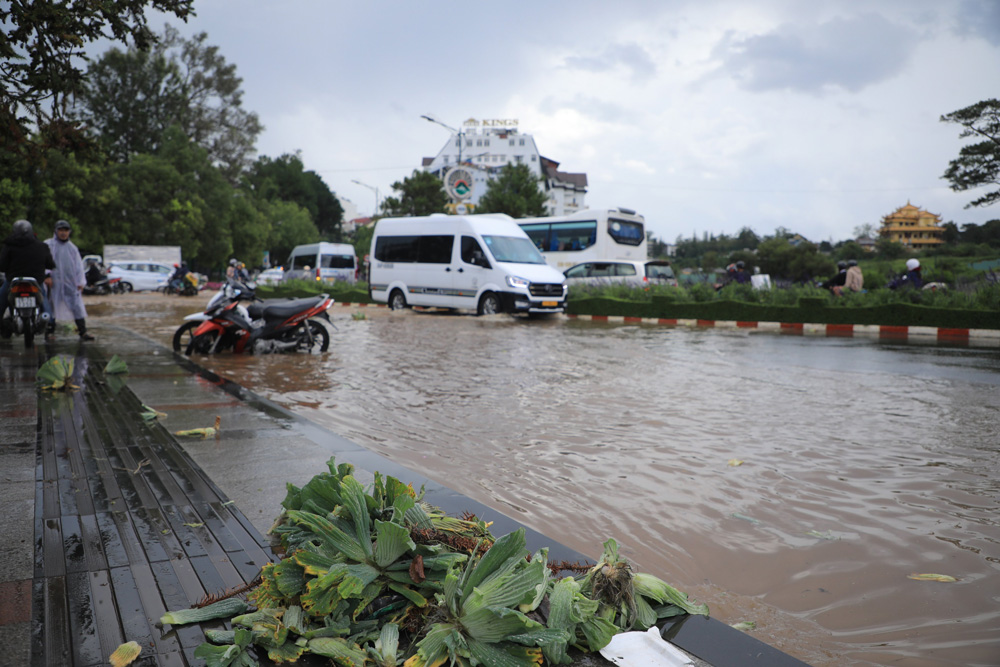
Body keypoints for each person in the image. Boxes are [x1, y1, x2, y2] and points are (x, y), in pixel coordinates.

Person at [0, 220, 55, 333]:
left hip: (13, 281)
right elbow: (50, 264)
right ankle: (50, 322)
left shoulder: (9, 245)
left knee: (2, 297)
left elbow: (2, 265)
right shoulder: (42, 246)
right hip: (36, 281)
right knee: (43, 298)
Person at [45, 219, 94, 340]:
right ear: (55, 231)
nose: (63, 233)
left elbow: (78, 266)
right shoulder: (48, 245)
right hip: (53, 282)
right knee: (51, 306)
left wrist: (80, 282)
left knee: (76, 305)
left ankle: (83, 332)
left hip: (69, 282)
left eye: (66, 230)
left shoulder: (72, 248)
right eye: (60, 230)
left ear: (69, 232)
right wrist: (46, 276)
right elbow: (42, 262)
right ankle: (49, 332)